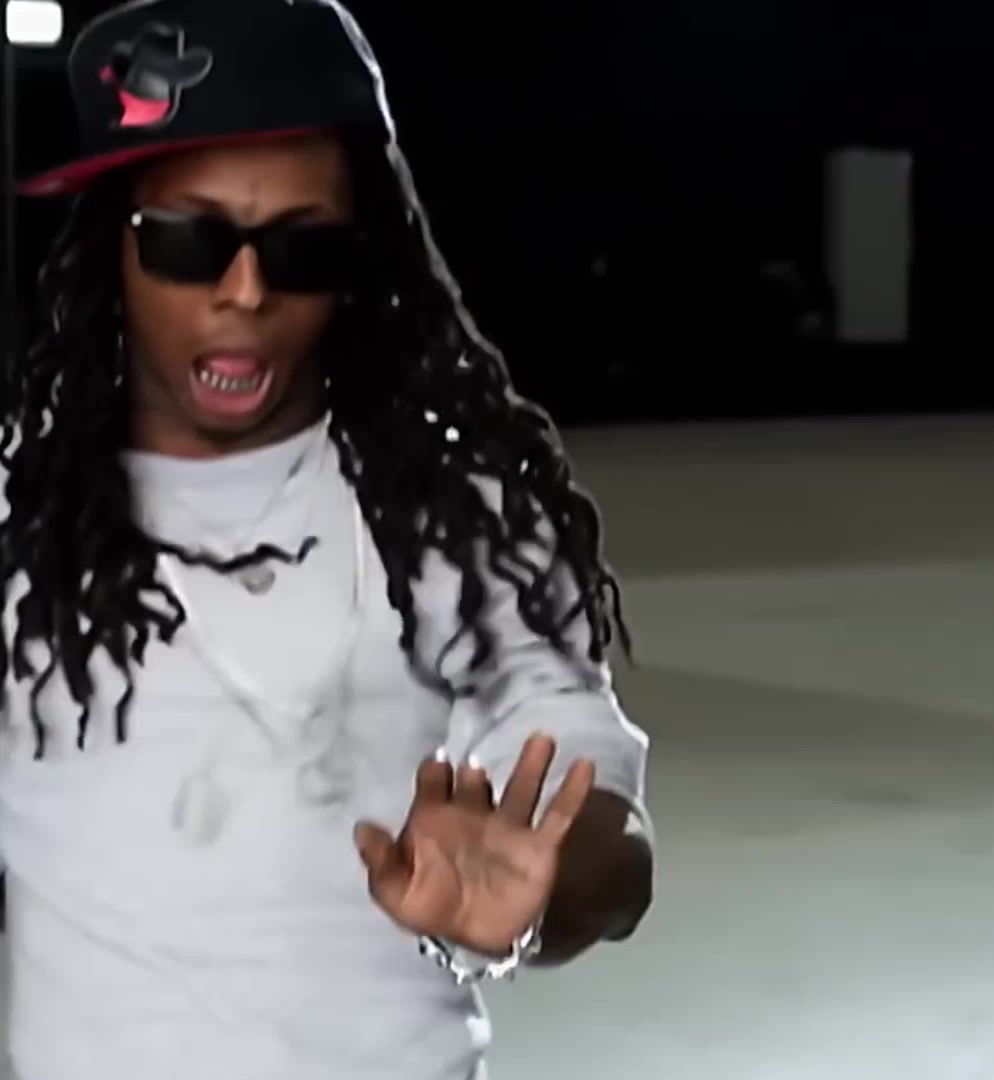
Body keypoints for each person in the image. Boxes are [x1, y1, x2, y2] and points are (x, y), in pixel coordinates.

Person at [0, 1, 654, 1077]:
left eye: (303, 251)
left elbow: (599, 821)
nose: (245, 292)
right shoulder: (22, 518)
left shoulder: (451, 516)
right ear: (111, 247)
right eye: (189, 242)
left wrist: (546, 894)